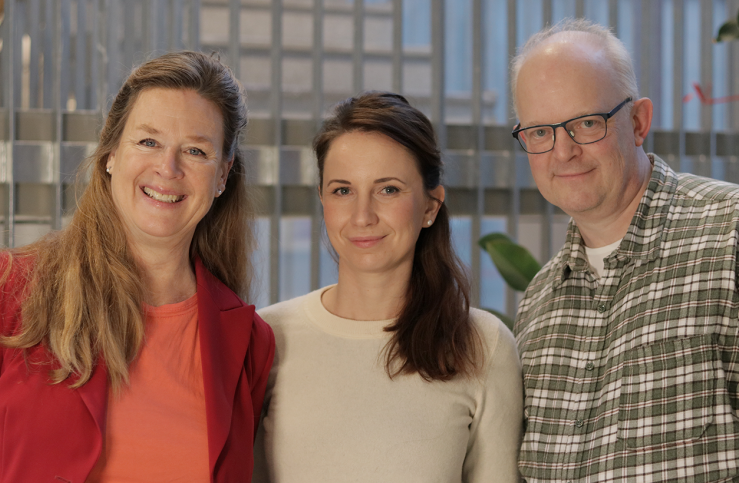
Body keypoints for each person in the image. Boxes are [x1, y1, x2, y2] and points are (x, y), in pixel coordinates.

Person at [0, 51, 275, 482]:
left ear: (222, 175)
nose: (167, 169)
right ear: (111, 153)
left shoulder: (248, 344)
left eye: (195, 150)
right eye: (148, 141)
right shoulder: (9, 288)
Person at [511, 18, 739, 482]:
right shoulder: (537, 304)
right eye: (539, 132)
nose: (562, 152)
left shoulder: (729, 233)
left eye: (586, 123)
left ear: (638, 122)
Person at [253, 92, 522, 483]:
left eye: (389, 189)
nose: (362, 216)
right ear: (323, 201)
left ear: (431, 207)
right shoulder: (267, 337)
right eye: (342, 190)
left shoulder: (482, 344)